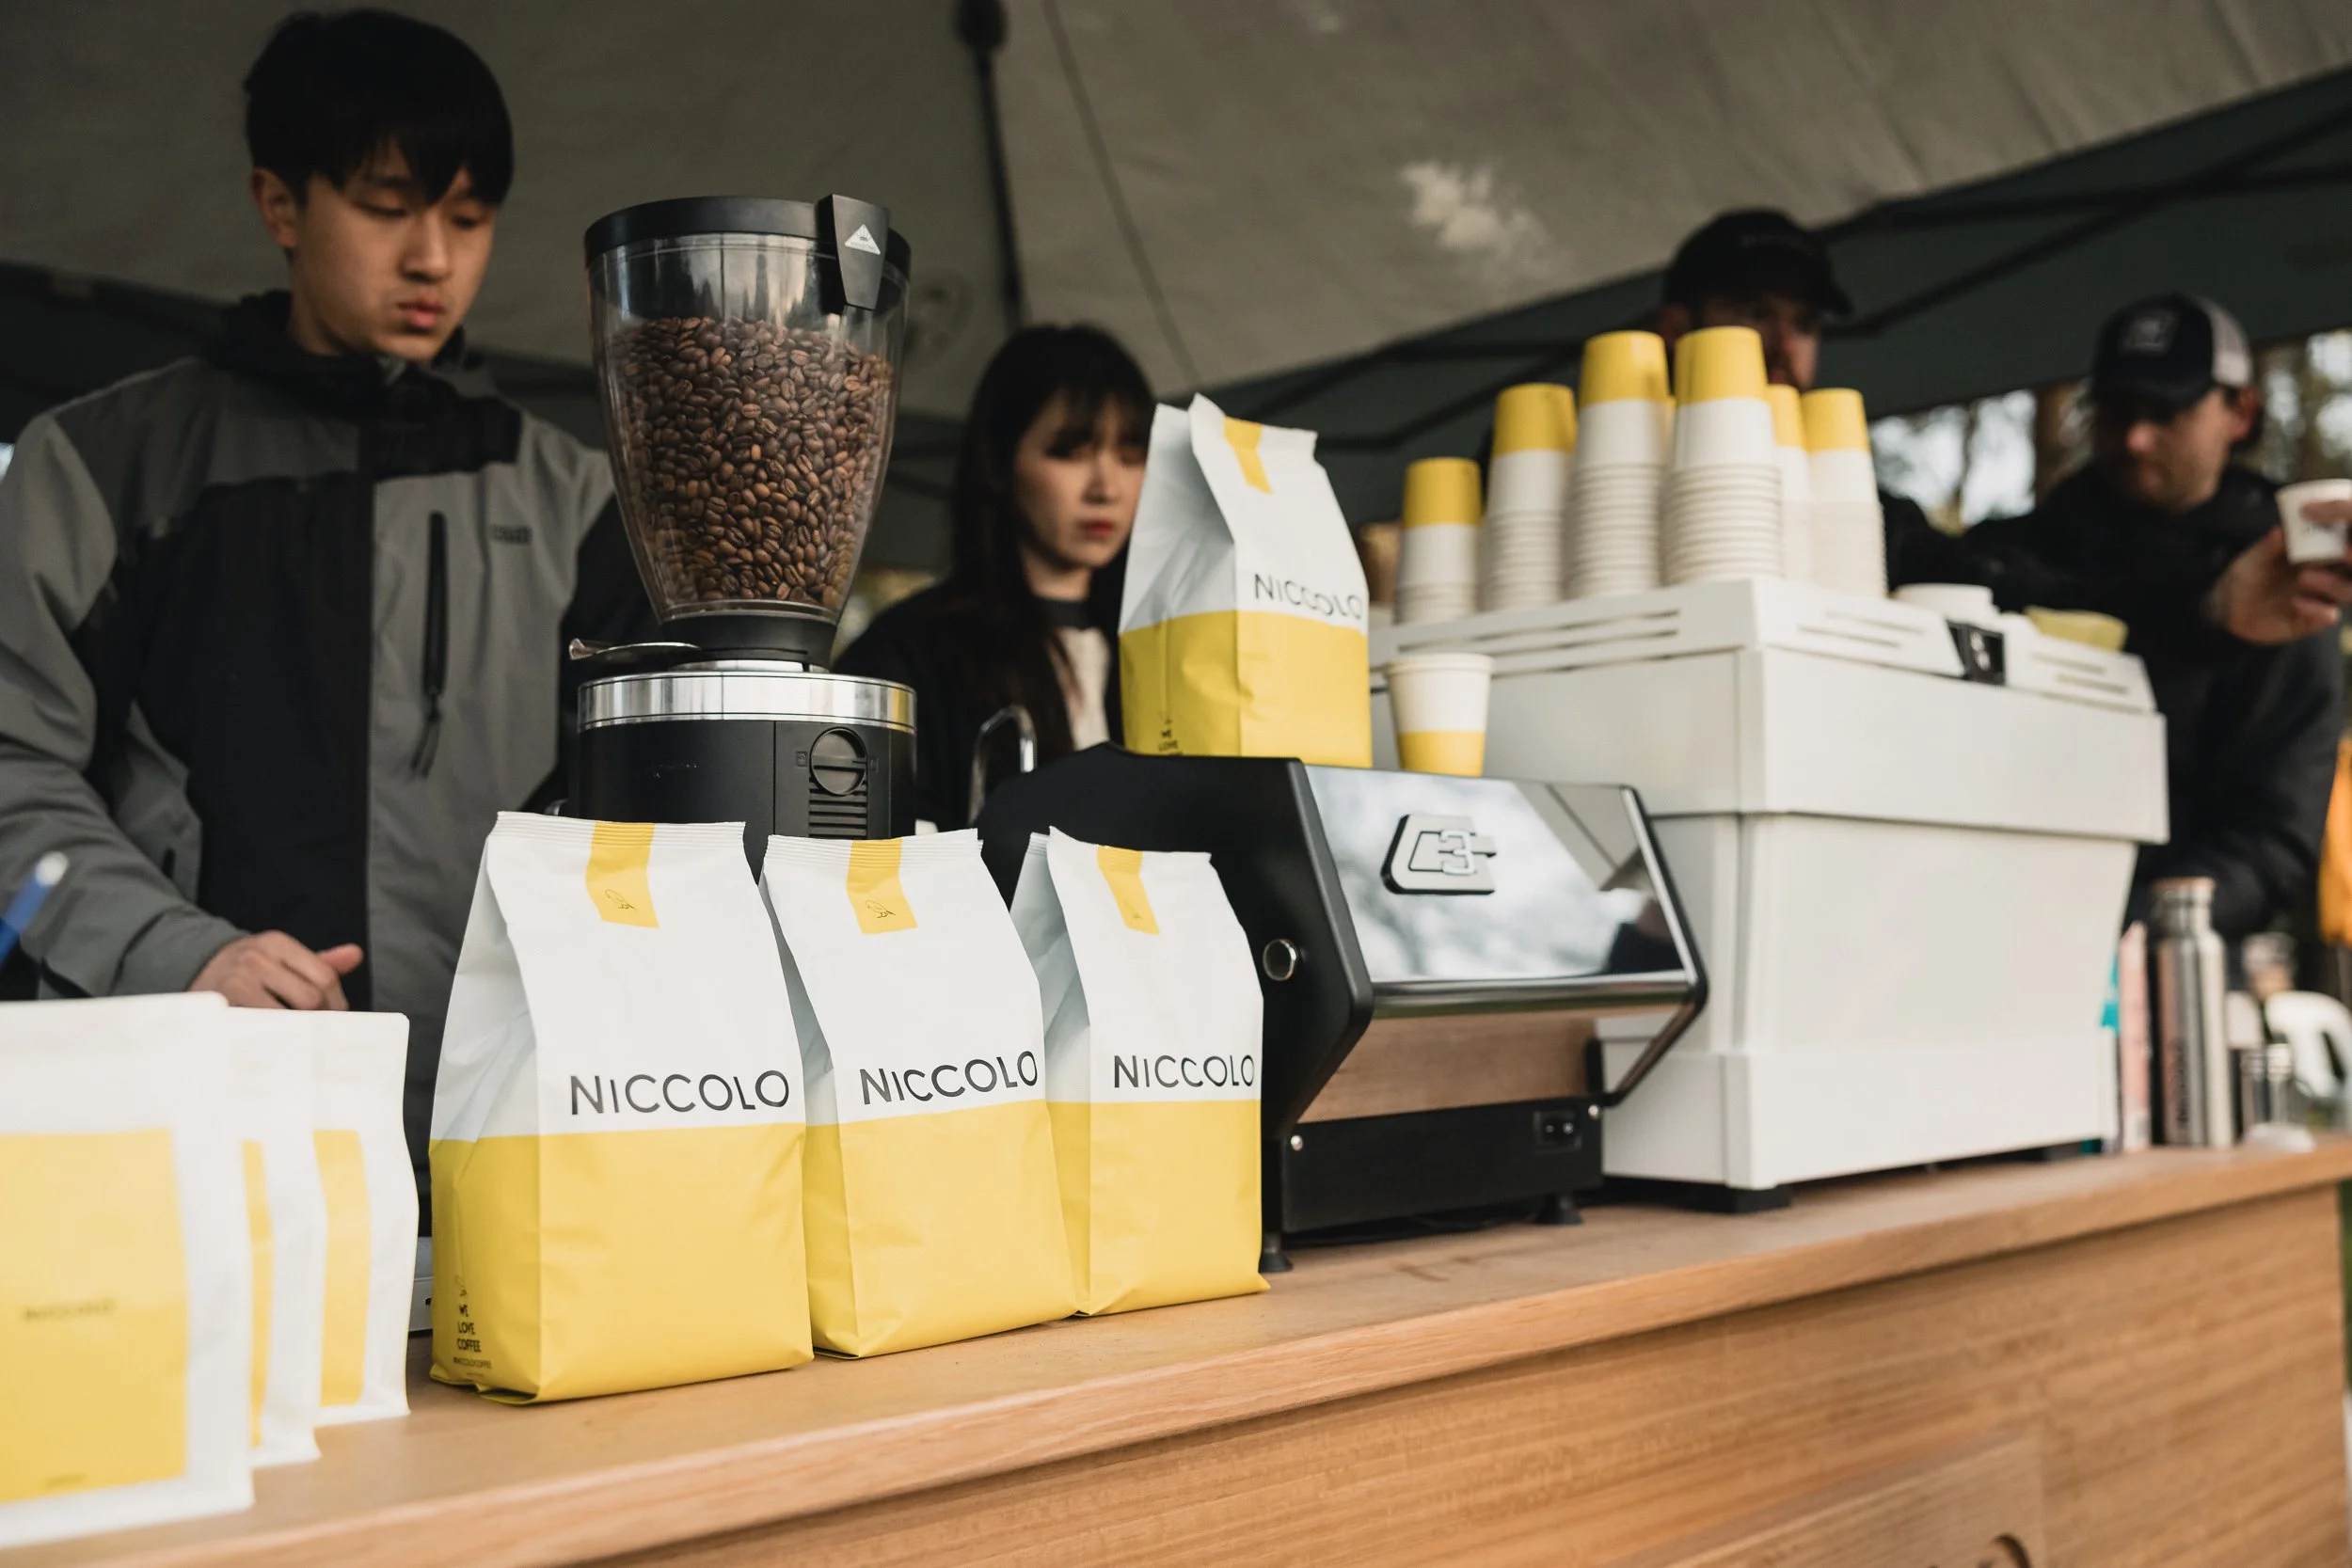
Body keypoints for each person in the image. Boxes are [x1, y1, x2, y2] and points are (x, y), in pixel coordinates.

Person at [0, 10, 653, 1191]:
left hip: (507, 1140)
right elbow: (11, 766)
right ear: (280, 204)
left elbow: (645, 828)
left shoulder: (581, 503)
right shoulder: (101, 463)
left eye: (469, 217)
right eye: (387, 205)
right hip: (178, 1124)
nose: (433, 258)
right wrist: (173, 951)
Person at [1958, 293, 2350, 939]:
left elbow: (2274, 833)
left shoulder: (2283, 585)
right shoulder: (2021, 550)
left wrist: (2143, 925)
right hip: (1978, 915)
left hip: (2172, 950)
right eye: (2117, 411)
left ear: (2240, 412)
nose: (2137, 440)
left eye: (2167, 412)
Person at [837, 325, 1152, 829]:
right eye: (1069, 451)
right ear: (1000, 463)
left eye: (1131, 453)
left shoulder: (1166, 648)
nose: (1106, 487)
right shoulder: (914, 651)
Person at [1654, 208, 1972, 584]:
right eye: (1756, 313)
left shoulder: (1871, 517)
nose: (1786, 346)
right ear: (1676, 329)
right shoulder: (1623, 486)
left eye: (1805, 324)